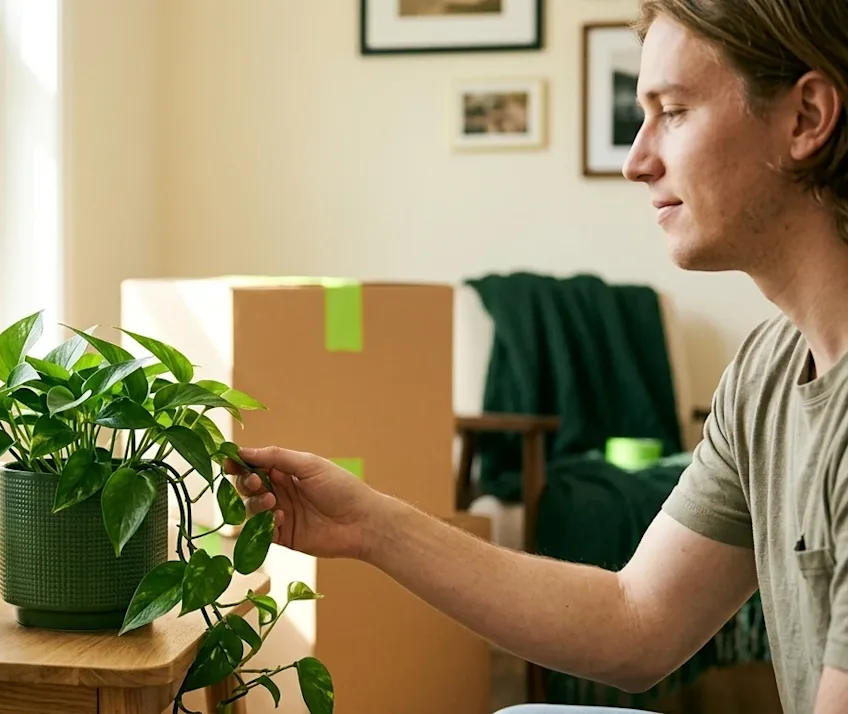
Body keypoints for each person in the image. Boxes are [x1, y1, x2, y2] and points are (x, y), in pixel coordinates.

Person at [226, 1, 848, 712]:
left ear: (805, 117)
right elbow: (636, 620)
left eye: (672, 110)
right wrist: (370, 524)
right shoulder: (766, 371)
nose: (637, 162)